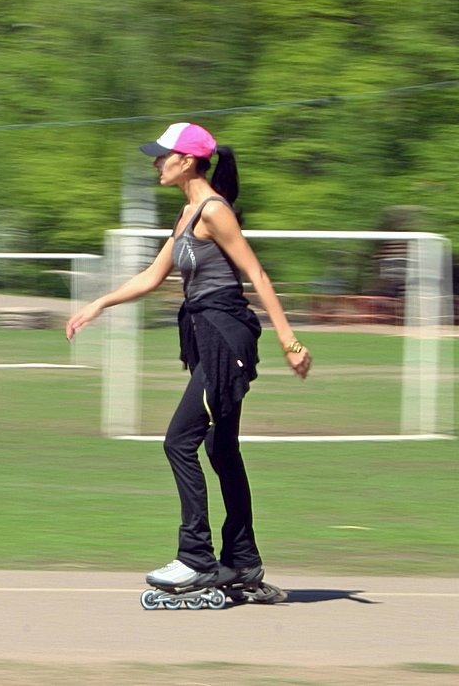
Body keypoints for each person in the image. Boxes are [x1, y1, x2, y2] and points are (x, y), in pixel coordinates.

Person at [65, 122, 312, 593]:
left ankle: (195, 557)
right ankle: (242, 562)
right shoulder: (186, 214)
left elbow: (256, 272)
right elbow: (152, 276)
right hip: (208, 337)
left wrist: (290, 341)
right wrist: (98, 304)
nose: (157, 162)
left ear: (188, 161)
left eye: (163, 155)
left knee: (179, 440)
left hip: (226, 338)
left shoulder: (214, 211)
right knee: (221, 450)